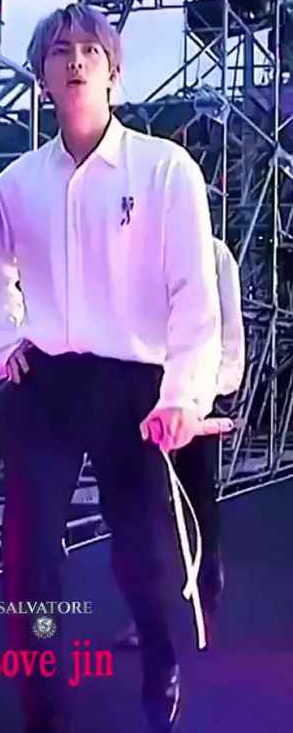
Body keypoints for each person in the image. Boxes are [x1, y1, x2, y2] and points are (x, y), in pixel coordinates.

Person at [0, 3, 222, 733]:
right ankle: (42, 704)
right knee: (28, 563)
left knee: (143, 555)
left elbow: (193, 293)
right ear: (42, 76)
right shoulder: (17, 183)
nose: (75, 60)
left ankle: (161, 656)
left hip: (132, 385)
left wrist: (183, 395)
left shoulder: (165, 169)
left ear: (113, 71)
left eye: (89, 50)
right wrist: (2, 344)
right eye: (60, 51)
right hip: (45, 384)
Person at [114, 236, 245, 650]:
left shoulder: (215, 253)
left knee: (195, 493)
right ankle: (153, 612)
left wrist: (212, 391)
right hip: (141, 392)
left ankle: (206, 579)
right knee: (146, 505)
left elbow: (229, 329)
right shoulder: (135, 246)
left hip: (195, 393)